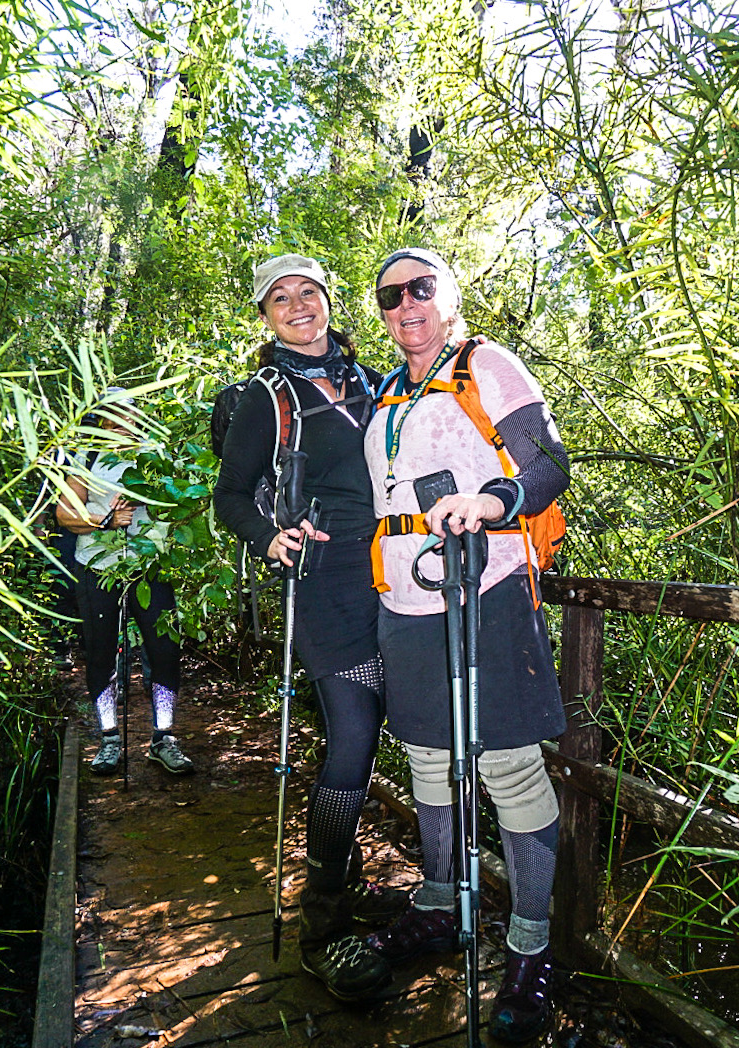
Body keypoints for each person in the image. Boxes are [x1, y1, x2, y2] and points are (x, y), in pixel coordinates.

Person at [362, 247, 570, 1044]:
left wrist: (492, 498)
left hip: (485, 589)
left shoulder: (488, 364)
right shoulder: (387, 392)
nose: (406, 302)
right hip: (405, 598)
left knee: (507, 766)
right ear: (381, 312)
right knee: (423, 757)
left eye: (422, 287)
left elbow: (548, 463)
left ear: (450, 296)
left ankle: (530, 948)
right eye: (391, 294)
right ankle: (439, 907)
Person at [213, 254, 408, 1002]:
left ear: (328, 300)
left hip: (398, 572)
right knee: (355, 743)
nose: (297, 305)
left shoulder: (375, 379)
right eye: (279, 298)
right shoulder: (267, 396)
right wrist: (268, 537)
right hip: (327, 583)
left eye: (308, 292)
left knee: (370, 734)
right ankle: (322, 929)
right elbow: (229, 496)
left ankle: (351, 887)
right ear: (265, 316)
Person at [57, 390, 194, 777]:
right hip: (98, 568)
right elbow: (64, 514)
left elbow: (183, 501)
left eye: (128, 411)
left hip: (149, 568)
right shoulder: (87, 457)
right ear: (100, 419)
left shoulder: (156, 454)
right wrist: (105, 521)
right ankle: (109, 738)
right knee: (102, 654)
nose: (122, 419)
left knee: (164, 651)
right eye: (112, 414)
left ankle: (164, 738)